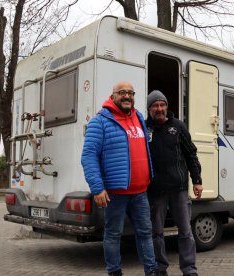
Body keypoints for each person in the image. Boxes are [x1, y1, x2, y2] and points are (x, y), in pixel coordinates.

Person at [81, 81, 158, 276]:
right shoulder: (100, 122)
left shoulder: (138, 117)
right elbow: (89, 156)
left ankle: (151, 271)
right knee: (113, 235)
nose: (127, 96)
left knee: (145, 233)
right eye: (122, 92)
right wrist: (97, 188)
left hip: (140, 192)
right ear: (113, 96)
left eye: (130, 93)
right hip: (115, 193)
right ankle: (114, 272)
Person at [146, 90, 203, 276]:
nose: (159, 109)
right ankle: (160, 268)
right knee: (156, 233)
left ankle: (189, 269)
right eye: (155, 105)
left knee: (185, 232)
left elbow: (191, 153)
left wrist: (197, 180)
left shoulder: (178, 126)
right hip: (155, 190)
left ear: (167, 107)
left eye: (162, 105)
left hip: (178, 189)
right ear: (149, 109)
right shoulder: (145, 129)